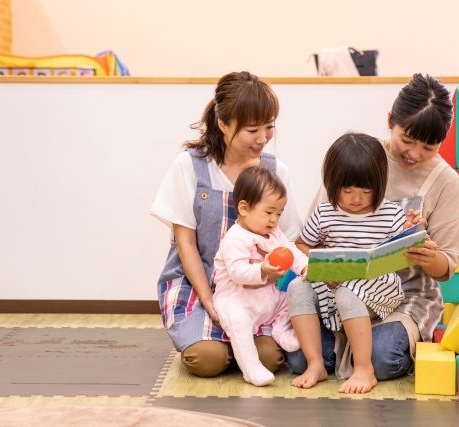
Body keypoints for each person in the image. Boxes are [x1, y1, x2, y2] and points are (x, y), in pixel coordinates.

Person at [286, 73, 459, 392]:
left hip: (401, 294)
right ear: (390, 122)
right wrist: (323, 268)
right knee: (298, 358)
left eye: (428, 146)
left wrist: (427, 256)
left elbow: (446, 268)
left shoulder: (446, 182)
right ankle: (335, 358)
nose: (414, 153)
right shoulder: (359, 159)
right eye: (407, 139)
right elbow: (308, 239)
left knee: (384, 358)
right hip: (337, 290)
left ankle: (367, 358)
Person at [150, 71, 303, 378]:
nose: (263, 138)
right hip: (200, 282)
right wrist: (208, 299)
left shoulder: (275, 171)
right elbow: (185, 242)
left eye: (269, 126)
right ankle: (222, 342)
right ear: (222, 124)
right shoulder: (191, 165)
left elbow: (287, 241)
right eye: (252, 130)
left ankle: (240, 345)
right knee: (206, 359)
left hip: (258, 287)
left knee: (270, 357)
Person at [289, 132, 422, 394]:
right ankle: (315, 363)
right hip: (333, 285)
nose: (356, 198)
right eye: (347, 190)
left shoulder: (390, 212)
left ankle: (364, 369)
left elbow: (406, 247)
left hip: (378, 287)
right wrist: (312, 266)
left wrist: (412, 228)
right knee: (296, 288)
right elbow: (302, 245)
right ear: (332, 183)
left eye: (366, 190)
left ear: (379, 184)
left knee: (348, 292)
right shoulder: (325, 212)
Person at [212, 166, 309, 386]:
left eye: (279, 213)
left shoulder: (273, 232)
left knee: (290, 298)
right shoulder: (235, 239)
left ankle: (281, 329)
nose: (274, 220)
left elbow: (290, 250)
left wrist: (304, 266)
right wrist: (262, 270)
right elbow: (237, 273)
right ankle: (252, 369)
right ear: (244, 208)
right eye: (269, 212)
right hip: (237, 299)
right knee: (239, 324)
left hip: (267, 297)